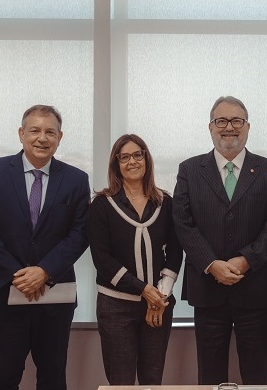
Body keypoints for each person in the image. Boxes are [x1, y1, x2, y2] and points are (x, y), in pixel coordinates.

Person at [0, 105, 90, 390]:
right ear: (21, 133)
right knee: (3, 375)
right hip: (4, 294)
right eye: (34, 130)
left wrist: (45, 270)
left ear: (60, 137)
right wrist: (17, 274)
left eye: (50, 132)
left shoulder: (75, 179)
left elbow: (80, 233)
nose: (42, 138)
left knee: (52, 377)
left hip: (54, 296)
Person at [172, 96, 267, 385]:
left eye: (236, 121)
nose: (229, 128)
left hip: (255, 288)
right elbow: (183, 223)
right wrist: (212, 264)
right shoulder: (189, 170)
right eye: (221, 121)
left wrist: (246, 260)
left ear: (247, 127)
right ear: (210, 127)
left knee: (258, 374)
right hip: (208, 288)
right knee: (210, 374)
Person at [88, 134, 183, 385]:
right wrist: (144, 290)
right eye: (125, 157)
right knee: (121, 382)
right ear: (116, 164)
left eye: (137, 154)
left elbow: (175, 250)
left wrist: (159, 296)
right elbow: (102, 260)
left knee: (152, 380)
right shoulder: (102, 205)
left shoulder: (165, 202)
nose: (132, 161)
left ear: (146, 158)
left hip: (158, 305)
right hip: (115, 307)